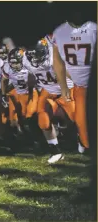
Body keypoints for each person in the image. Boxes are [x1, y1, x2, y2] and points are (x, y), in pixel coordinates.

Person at [24, 38, 75, 164]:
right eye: (33, 55)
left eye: (38, 54)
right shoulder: (26, 59)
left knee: (78, 120)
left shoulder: (56, 56)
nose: (35, 59)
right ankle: (56, 152)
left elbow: (71, 74)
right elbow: (32, 75)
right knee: (43, 119)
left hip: (67, 89)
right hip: (48, 91)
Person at [50, 20, 97, 154]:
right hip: (80, 87)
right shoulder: (59, 31)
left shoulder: (94, 27)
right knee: (83, 126)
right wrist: (63, 86)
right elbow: (58, 61)